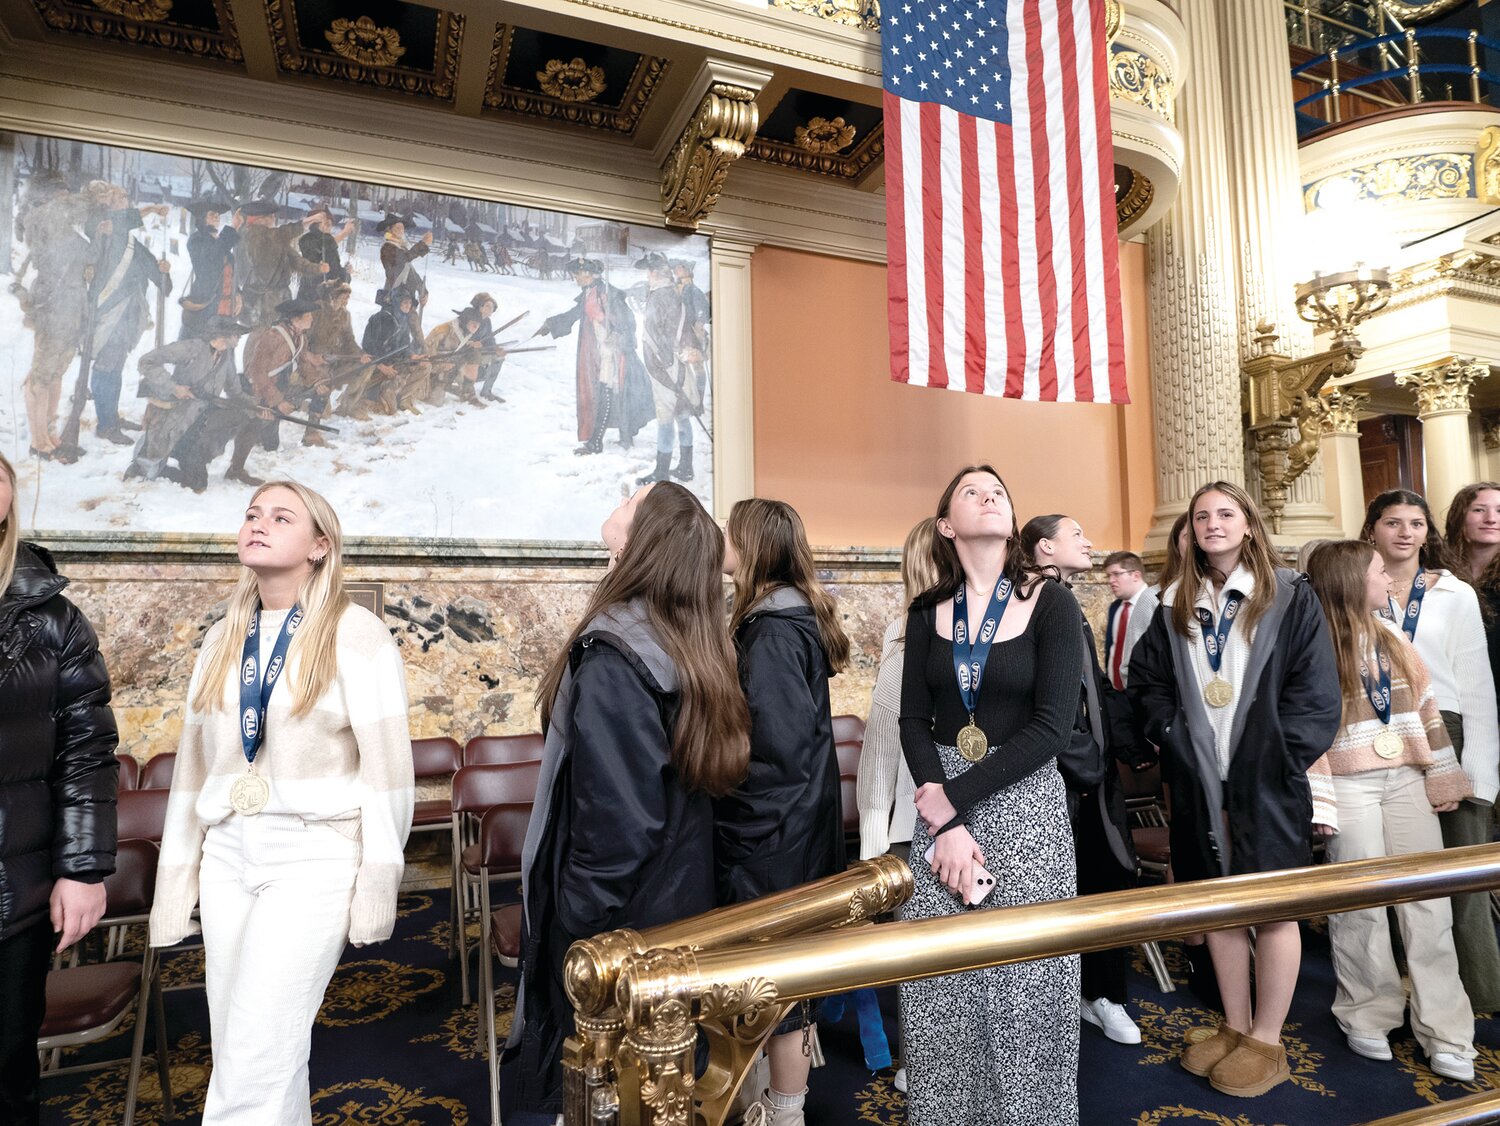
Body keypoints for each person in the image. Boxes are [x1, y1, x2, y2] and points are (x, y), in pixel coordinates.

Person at [148, 480, 414, 1124]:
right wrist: (175, 879)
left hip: (312, 854)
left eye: (281, 516)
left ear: (320, 546)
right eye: (251, 514)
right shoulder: (221, 640)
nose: (259, 524)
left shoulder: (355, 634)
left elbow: (389, 771)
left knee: (256, 1051)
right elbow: (192, 769)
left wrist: (379, 878)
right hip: (228, 854)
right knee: (247, 1047)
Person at [501, 482, 750, 1123]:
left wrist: (576, 923)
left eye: (636, 495)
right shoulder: (683, 637)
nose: (626, 491)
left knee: (613, 1097)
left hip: (617, 928)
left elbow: (620, 823)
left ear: (646, 542)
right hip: (671, 908)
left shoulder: (619, 652)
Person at [1131, 480, 1341, 1098]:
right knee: (1217, 906)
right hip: (1198, 781)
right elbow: (1146, 685)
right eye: (1202, 517)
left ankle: (1268, 1040)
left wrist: (1276, 756)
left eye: (1226, 514)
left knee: (1272, 911)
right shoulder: (1173, 603)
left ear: (1249, 524)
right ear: (1191, 530)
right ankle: (1234, 1024)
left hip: (1267, 782)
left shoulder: (1289, 597)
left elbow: (1317, 693)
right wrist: (1170, 733)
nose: (1213, 524)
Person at [898, 465, 1084, 1125]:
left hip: (1025, 800)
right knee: (940, 979)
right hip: (940, 803)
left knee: (1025, 983)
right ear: (947, 524)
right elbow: (911, 722)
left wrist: (954, 802)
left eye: (998, 489)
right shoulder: (926, 609)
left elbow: (1053, 727)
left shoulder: (1052, 602)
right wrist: (943, 818)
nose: (989, 495)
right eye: (971, 490)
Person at [1303, 540, 1476, 1081]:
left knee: (1429, 906)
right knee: (1360, 906)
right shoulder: (1313, 646)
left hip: (1404, 780)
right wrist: (1322, 799)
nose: (1391, 578)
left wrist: (1442, 775)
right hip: (1351, 786)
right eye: (1381, 571)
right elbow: (1306, 732)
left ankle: (1446, 1031)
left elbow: (1427, 709)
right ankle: (1367, 1013)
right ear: (1354, 580)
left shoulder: (1393, 634)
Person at [716, 498, 851, 1126]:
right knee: (783, 965)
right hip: (795, 816)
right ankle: (777, 1097)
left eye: (729, 533)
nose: (722, 542)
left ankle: (785, 1108)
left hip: (772, 825)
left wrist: (720, 792)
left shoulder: (770, 628)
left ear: (752, 546)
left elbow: (775, 748)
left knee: (773, 968)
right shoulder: (789, 616)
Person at [0, 451, 120, 1124]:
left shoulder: (54, 617)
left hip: (12, 888)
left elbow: (87, 748)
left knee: (6, 1076)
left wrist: (82, 869)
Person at [1363, 488, 1500, 1011]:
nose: (1404, 532)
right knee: (1401, 877)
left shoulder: (1454, 592)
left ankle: (1482, 996)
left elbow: (1477, 685)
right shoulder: (1359, 590)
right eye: (1392, 522)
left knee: (1462, 880)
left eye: (1415, 523)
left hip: (1451, 730)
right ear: (1372, 528)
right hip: (1384, 730)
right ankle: (1413, 997)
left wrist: (1481, 776)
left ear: (1428, 532)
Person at [1022, 515, 1145, 1047]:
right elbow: (1040, 696)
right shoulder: (1031, 600)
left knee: (1101, 883)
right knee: (1063, 891)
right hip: (1060, 775)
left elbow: (1089, 688)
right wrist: (1085, 758)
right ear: (1045, 546)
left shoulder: (1064, 597)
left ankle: (1101, 995)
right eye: (1078, 535)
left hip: (1091, 775)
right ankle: (1068, 1000)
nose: (1091, 542)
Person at [855, 515, 938, 1096]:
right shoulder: (904, 636)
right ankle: (924, 1062)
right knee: (924, 961)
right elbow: (881, 748)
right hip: (914, 824)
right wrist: (873, 847)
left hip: (994, 819)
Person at [535, 257, 651, 456]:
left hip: (614, 353)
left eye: (577, 275)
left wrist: (618, 336)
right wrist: (551, 324)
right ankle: (620, 436)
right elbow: (574, 314)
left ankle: (598, 442)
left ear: (588, 274)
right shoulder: (589, 292)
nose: (575, 279)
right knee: (607, 393)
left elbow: (627, 321)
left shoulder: (608, 294)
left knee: (609, 392)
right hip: (598, 351)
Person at [126, 314, 252, 490]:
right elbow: (147, 362)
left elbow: (236, 392)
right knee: (192, 481)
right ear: (221, 334)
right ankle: (154, 465)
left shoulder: (226, 357)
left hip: (199, 421)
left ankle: (188, 458)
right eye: (235, 333)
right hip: (177, 417)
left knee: (197, 482)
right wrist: (174, 388)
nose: (238, 337)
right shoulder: (191, 348)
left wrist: (257, 406)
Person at [634, 252, 700, 485]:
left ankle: (662, 472)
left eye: (648, 272)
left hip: (666, 367)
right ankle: (685, 467)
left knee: (666, 419)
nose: (648, 276)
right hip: (672, 364)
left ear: (654, 273)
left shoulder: (661, 296)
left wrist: (660, 363)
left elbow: (662, 332)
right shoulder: (669, 293)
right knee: (681, 417)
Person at [180, 199, 241, 340]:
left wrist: (237, 293)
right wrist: (232, 228)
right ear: (202, 218)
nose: (217, 217)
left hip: (225, 307)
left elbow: (229, 272)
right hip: (205, 305)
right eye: (212, 214)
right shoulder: (196, 240)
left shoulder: (218, 241)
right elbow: (213, 259)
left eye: (218, 214)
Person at [1103, 550, 1157, 692]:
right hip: (1114, 693)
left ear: (1135, 575)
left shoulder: (1157, 604)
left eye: (1116, 574)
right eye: (1108, 576)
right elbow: (1112, 649)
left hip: (1146, 691)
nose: (1111, 581)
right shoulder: (1115, 608)